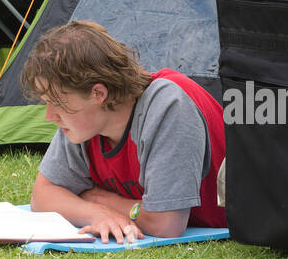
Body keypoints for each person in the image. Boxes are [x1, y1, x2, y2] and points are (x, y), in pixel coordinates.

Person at [25, 21, 227, 242]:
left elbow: (166, 224)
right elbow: (43, 196)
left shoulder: (167, 104)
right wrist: (98, 213)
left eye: (57, 102)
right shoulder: (84, 123)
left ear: (98, 93)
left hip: (232, 220)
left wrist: (98, 197)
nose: (49, 115)